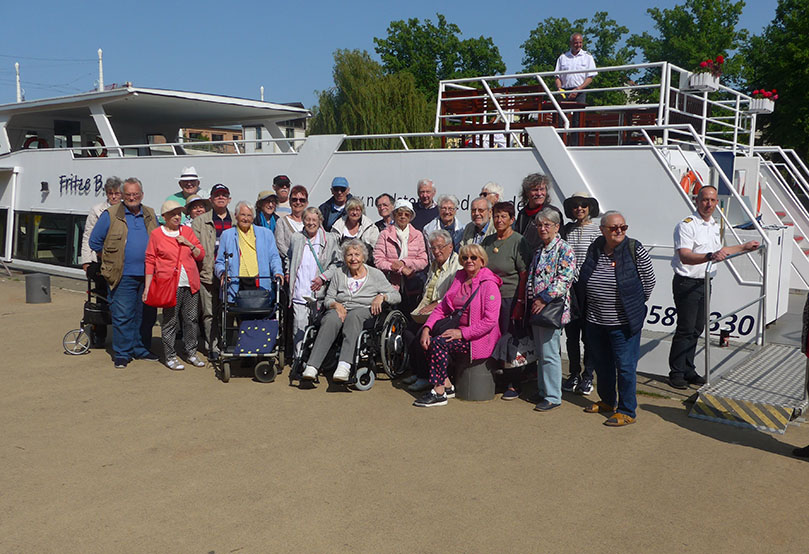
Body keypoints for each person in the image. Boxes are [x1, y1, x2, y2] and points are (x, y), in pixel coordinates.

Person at [668, 185, 759, 389]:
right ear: (697, 201)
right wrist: (709, 257)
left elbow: (720, 251)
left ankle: (689, 369)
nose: (708, 204)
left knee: (698, 328)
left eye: (712, 200)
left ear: (717, 202)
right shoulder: (687, 225)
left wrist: (744, 247)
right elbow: (685, 256)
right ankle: (676, 373)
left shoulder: (713, 225)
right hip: (687, 283)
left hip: (705, 282)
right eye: (704, 200)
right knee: (685, 328)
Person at [578, 211, 656, 426]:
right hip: (595, 320)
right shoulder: (595, 248)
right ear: (603, 230)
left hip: (623, 323)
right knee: (602, 364)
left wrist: (633, 304)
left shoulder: (634, 249)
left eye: (623, 227)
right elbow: (585, 274)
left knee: (625, 367)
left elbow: (649, 281)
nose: (619, 231)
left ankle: (627, 410)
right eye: (614, 228)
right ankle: (606, 401)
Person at [301, 240, 401, 383]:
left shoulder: (375, 274)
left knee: (354, 316)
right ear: (344, 258)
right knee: (330, 319)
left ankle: (344, 365)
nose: (353, 258)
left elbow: (397, 296)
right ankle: (312, 366)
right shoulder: (338, 273)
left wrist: (382, 296)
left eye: (357, 254)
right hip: (340, 309)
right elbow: (329, 298)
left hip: (364, 310)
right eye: (349, 255)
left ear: (364, 257)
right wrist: (336, 305)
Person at [415, 244, 502, 407]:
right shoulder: (460, 278)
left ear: (482, 261)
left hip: (479, 338)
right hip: (457, 331)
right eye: (465, 257)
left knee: (438, 343)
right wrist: (427, 328)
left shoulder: (489, 285)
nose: (469, 260)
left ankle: (439, 392)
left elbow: (490, 321)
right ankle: (446, 385)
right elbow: (442, 308)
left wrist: (462, 334)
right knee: (426, 341)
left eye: (473, 257)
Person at [89, 177, 159, 369]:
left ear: (141, 195)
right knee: (123, 315)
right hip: (122, 275)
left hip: (147, 275)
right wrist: (110, 259)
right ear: (122, 195)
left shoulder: (150, 214)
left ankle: (141, 348)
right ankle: (122, 353)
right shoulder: (110, 215)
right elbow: (94, 241)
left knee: (145, 315)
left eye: (135, 194)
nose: (132, 197)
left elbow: (159, 239)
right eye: (128, 194)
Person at [143, 201, 205, 371]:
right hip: (169, 285)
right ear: (164, 217)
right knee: (170, 321)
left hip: (190, 283)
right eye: (173, 214)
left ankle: (191, 352)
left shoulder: (187, 231)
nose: (177, 217)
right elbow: (150, 260)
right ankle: (170, 356)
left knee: (191, 320)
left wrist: (189, 243)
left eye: (179, 213)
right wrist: (147, 287)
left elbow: (201, 255)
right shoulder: (156, 235)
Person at [526, 208, 576, 412]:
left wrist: (544, 299)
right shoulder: (540, 249)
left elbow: (565, 278)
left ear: (557, 227)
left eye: (547, 225)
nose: (543, 228)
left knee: (550, 353)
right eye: (539, 225)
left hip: (551, 308)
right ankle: (543, 390)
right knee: (541, 352)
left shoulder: (564, 248)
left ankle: (553, 396)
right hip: (537, 308)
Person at [400, 230, 462, 392]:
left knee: (422, 334)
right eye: (433, 248)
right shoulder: (433, 265)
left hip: (446, 312)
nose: (436, 251)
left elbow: (455, 296)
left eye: (440, 247)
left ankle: (427, 377)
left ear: (451, 247)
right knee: (408, 332)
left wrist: (435, 305)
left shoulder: (457, 266)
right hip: (426, 310)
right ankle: (418, 372)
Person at [481, 201, 532, 400]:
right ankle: (496, 378)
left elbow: (524, 273)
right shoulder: (488, 241)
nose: (499, 220)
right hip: (488, 298)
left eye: (504, 216)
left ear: (512, 220)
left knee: (510, 338)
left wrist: (520, 302)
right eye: (496, 216)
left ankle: (514, 382)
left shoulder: (519, 241)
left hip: (510, 298)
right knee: (491, 337)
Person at [560, 192, 602, 395]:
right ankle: (573, 373)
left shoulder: (596, 230)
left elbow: (599, 258)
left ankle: (588, 376)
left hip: (588, 287)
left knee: (588, 335)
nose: (579, 209)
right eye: (576, 205)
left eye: (584, 205)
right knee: (571, 335)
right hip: (570, 288)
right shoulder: (567, 229)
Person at [286, 207, 341, 352]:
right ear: (303, 221)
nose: (311, 223)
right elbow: (289, 258)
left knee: (319, 329)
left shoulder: (330, 239)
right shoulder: (296, 238)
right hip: (299, 291)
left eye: (314, 220)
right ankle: (299, 359)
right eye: (307, 219)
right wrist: (287, 273)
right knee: (299, 327)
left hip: (320, 294)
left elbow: (338, 264)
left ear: (320, 221)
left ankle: (315, 360)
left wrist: (323, 278)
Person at [191, 183, 233, 358]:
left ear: (229, 199)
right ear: (211, 199)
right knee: (209, 313)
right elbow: (194, 249)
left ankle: (229, 344)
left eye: (224, 195)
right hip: (207, 274)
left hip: (231, 276)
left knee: (230, 310)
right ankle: (212, 346)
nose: (221, 198)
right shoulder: (200, 221)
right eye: (217, 195)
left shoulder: (237, 220)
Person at [80, 176, 122, 347]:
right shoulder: (97, 209)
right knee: (100, 297)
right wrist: (86, 261)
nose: (113, 197)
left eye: (117, 193)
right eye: (110, 193)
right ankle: (99, 334)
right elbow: (88, 235)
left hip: (119, 261)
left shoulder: (126, 210)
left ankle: (121, 335)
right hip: (99, 260)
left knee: (119, 298)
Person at [215, 201, 284, 303]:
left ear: (253, 218)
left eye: (249, 215)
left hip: (259, 282)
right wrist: (222, 273)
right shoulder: (227, 235)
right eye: (242, 215)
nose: (246, 218)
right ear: (236, 216)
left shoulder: (266, 234)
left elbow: (274, 258)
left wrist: (278, 272)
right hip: (236, 283)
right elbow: (219, 262)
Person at [373, 198, 429, 313]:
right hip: (390, 284)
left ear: (410, 217)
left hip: (412, 285)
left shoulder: (417, 235)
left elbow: (423, 260)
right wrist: (395, 268)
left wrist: (404, 263)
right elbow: (378, 260)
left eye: (406, 214)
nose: (403, 216)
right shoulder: (385, 234)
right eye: (400, 213)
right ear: (394, 215)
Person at [514, 173, 562, 251]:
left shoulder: (552, 212)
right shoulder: (522, 214)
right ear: (527, 193)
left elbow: (559, 239)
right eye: (535, 190)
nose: (539, 194)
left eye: (542, 189)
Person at [554, 33, 597, 104]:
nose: (578, 45)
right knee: (562, 114)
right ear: (570, 43)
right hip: (564, 92)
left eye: (580, 42)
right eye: (576, 43)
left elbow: (590, 77)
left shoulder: (587, 57)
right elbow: (557, 76)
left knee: (579, 114)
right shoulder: (563, 57)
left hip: (580, 92)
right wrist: (559, 88)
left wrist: (578, 89)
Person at [275, 184, 308, 262]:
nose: (298, 202)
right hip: (289, 264)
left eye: (302, 200)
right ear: (289, 202)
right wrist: (295, 256)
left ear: (306, 203)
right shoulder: (281, 222)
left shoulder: (312, 222)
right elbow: (280, 244)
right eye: (294, 199)